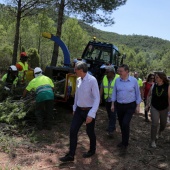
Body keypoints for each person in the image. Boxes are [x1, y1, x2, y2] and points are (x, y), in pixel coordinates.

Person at [59, 61, 100, 162]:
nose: (74, 71)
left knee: (89, 132)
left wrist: (92, 114)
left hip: (89, 111)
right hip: (78, 110)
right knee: (73, 130)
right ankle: (71, 155)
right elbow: (77, 95)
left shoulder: (92, 80)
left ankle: (92, 150)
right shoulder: (78, 80)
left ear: (81, 70)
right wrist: (74, 108)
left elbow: (97, 98)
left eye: (75, 70)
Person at [111, 64, 141, 150]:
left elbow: (137, 93)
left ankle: (125, 143)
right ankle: (124, 140)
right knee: (121, 123)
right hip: (119, 105)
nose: (119, 72)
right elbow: (114, 93)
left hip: (130, 106)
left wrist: (138, 106)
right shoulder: (117, 80)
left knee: (125, 123)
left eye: (121, 71)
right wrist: (113, 104)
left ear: (127, 71)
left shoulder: (134, 81)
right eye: (119, 71)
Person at [145, 72, 170, 148]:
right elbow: (149, 95)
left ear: (162, 78)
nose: (155, 79)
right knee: (154, 124)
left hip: (164, 108)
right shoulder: (153, 86)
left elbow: (169, 98)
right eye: (155, 77)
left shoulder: (168, 86)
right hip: (154, 107)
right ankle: (152, 140)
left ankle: (160, 132)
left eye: (157, 77)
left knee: (163, 124)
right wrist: (147, 105)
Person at [100, 66, 119, 137]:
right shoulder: (105, 78)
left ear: (112, 72)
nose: (106, 73)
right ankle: (112, 126)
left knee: (113, 115)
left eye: (107, 72)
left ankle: (111, 130)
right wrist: (100, 97)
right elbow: (102, 87)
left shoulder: (118, 78)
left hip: (114, 100)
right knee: (109, 114)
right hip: (107, 99)